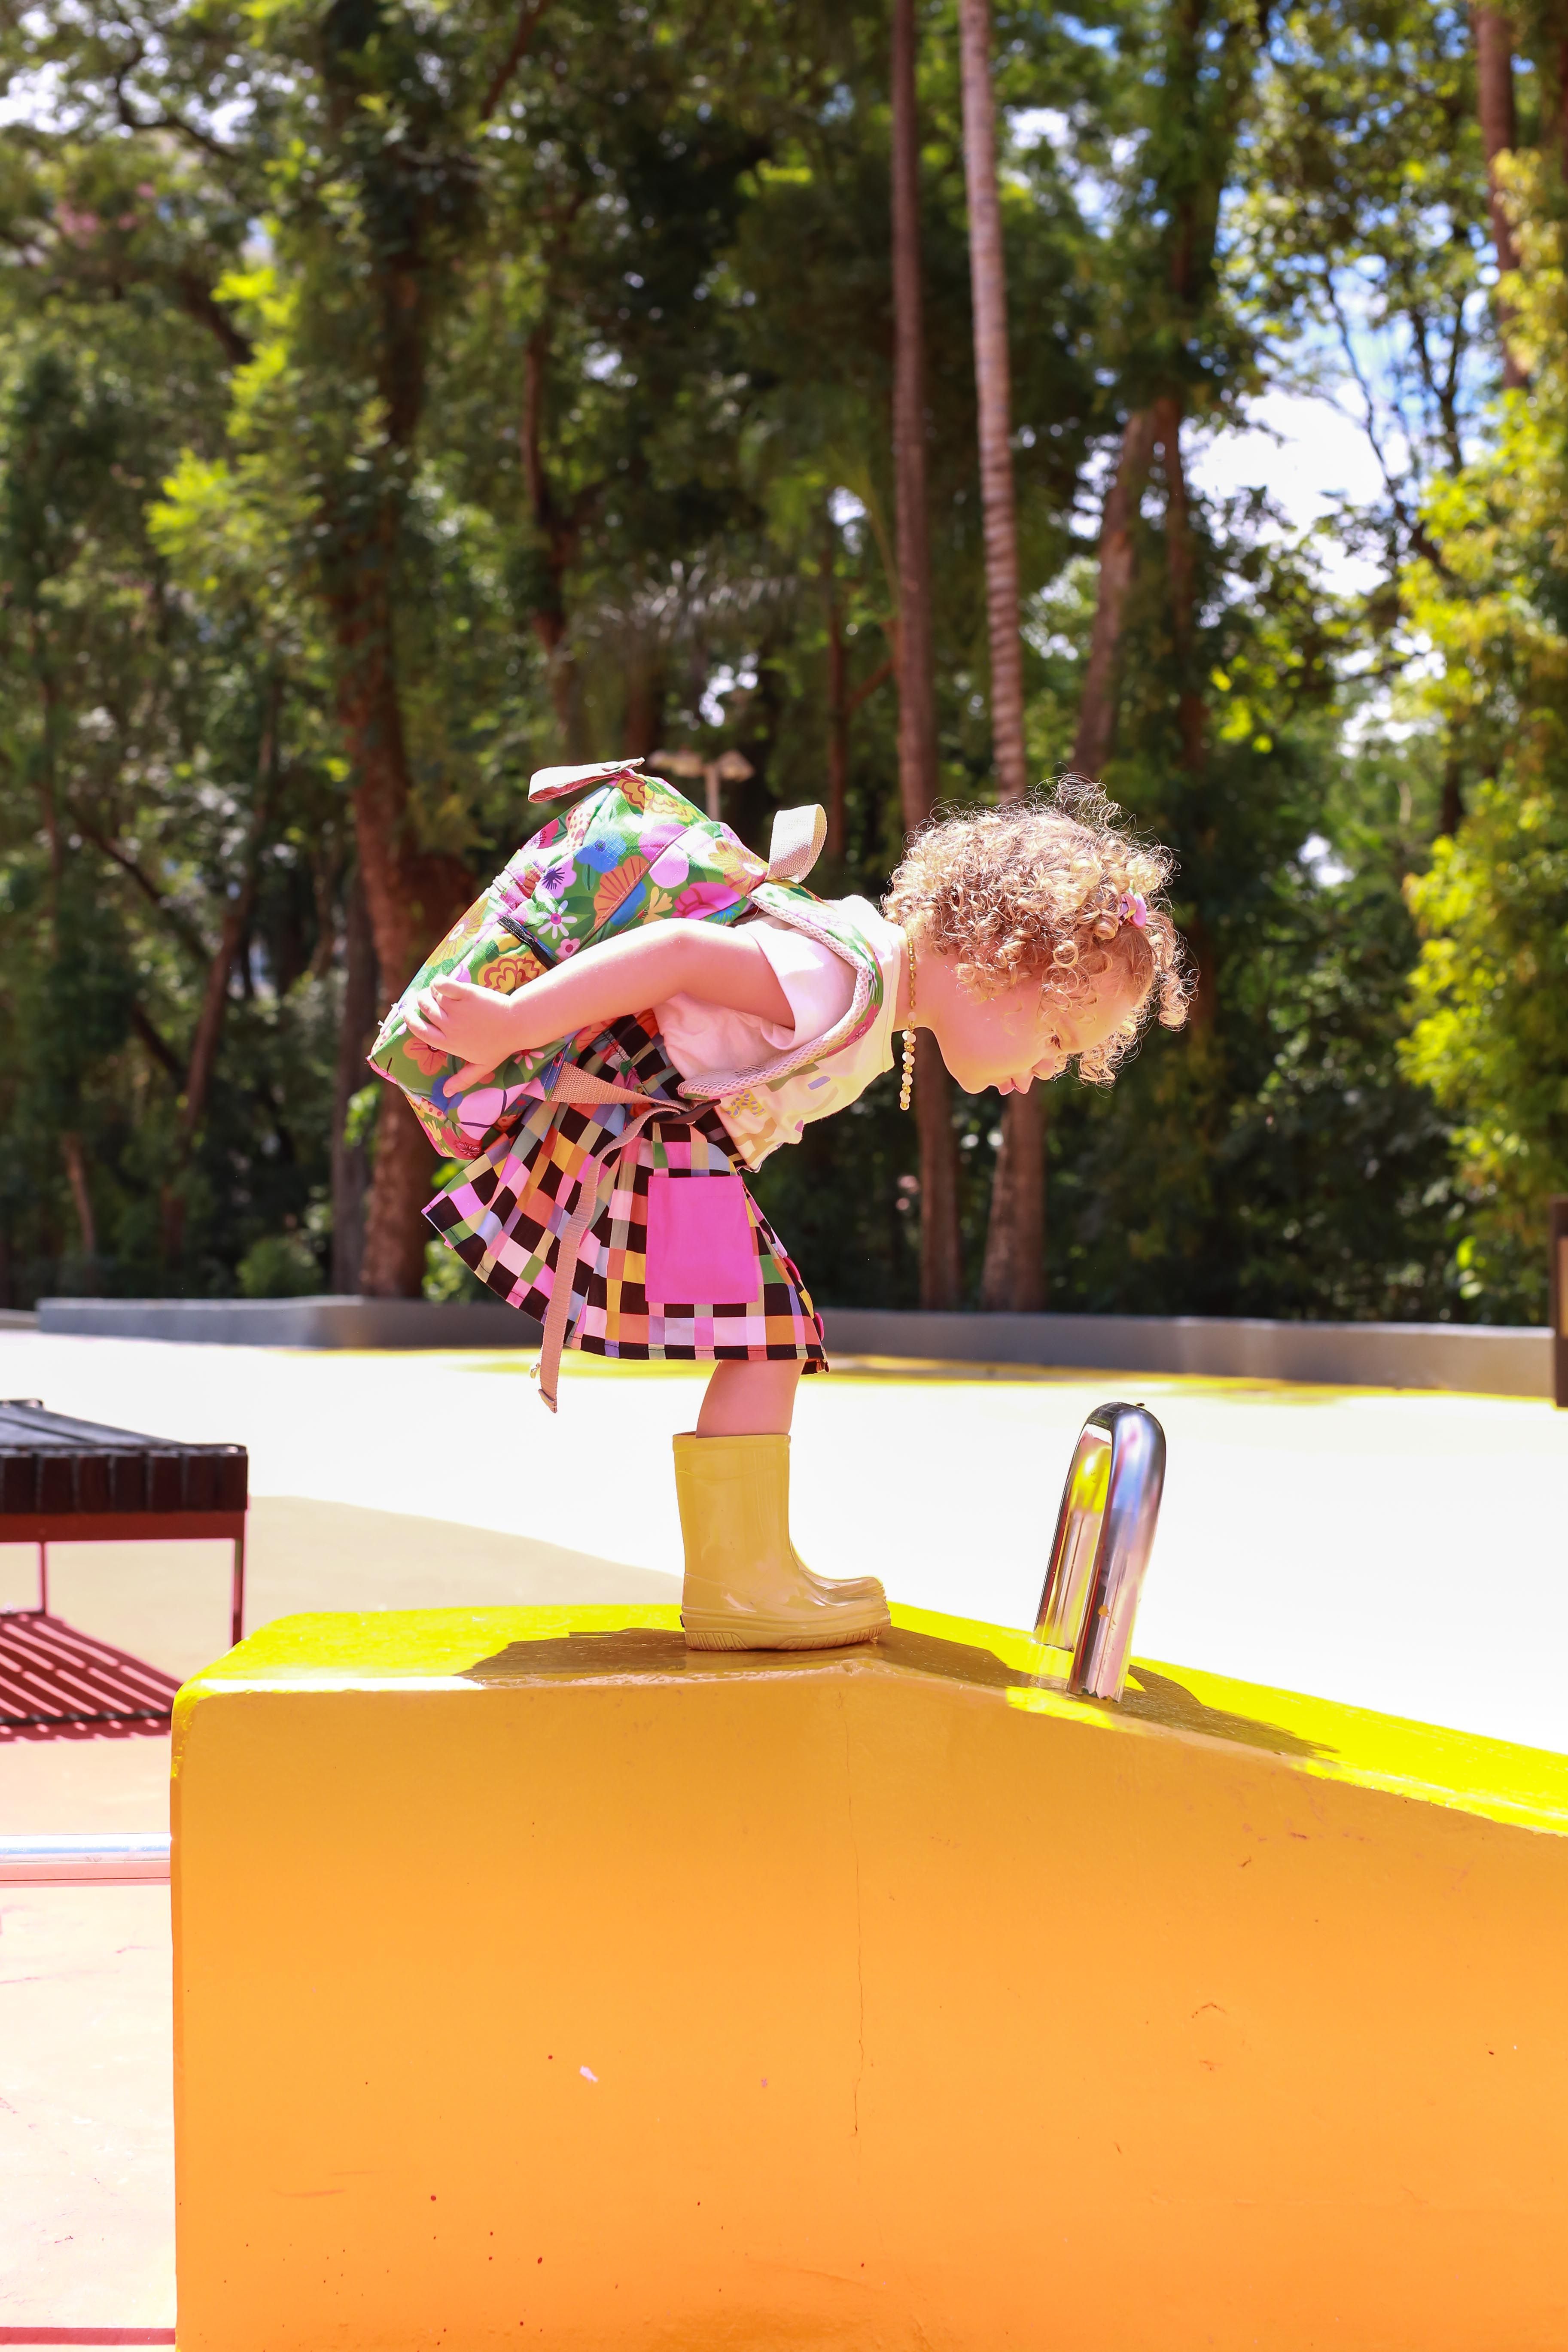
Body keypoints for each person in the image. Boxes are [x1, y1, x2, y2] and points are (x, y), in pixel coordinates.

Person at [399, 775, 1190, 1655]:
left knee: (766, 1337)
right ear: (1000, 961)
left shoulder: (865, 994)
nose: (1042, 1074)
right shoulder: (838, 972)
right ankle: (738, 1583)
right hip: (652, 1140)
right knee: (767, 1335)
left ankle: (753, 1567)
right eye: (1053, 1040)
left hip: (678, 1148)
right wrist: (514, 1022)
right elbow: (679, 955)